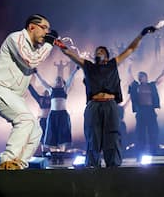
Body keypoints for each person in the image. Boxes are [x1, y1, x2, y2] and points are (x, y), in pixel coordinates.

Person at [55, 25, 157, 168]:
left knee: (112, 136)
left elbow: (130, 49)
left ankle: (113, 166)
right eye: (97, 51)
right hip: (94, 105)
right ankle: (92, 166)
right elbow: (70, 54)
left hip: (110, 104)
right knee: (93, 136)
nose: (98, 52)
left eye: (101, 51)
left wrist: (142, 34)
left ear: (107, 55)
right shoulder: (88, 66)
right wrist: (57, 42)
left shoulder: (112, 64)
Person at [0, 14, 58, 170]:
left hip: (12, 95)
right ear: (32, 27)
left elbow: (34, 57)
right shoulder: (16, 38)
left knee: (36, 130)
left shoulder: (33, 48)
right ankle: (7, 160)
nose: (47, 33)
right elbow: (30, 61)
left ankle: (19, 163)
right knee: (25, 119)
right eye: (44, 28)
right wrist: (49, 44)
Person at [128, 57, 164, 157]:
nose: (140, 78)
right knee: (141, 133)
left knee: (153, 131)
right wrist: (130, 65)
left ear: (146, 77)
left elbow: (162, 76)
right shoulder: (136, 86)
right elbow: (129, 75)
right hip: (141, 111)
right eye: (139, 76)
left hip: (150, 110)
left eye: (142, 76)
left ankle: (154, 151)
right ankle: (140, 152)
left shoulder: (151, 85)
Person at [34, 66, 79, 165]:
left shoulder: (65, 89)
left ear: (63, 82)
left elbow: (71, 79)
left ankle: (61, 157)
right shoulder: (51, 90)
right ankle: (54, 157)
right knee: (52, 134)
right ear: (55, 82)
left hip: (62, 115)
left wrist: (75, 69)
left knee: (63, 135)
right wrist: (36, 73)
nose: (58, 81)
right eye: (56, 80)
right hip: (53, 115)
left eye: (60, 80)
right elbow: (42, 82)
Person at [27, 83, 51, 156]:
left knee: (49, 135)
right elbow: (34, 93)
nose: (46, 93)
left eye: (48, 91)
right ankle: (44, 152)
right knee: (43, 136)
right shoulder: (41, 99)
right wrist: (28, 85)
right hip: (43, 120)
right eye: (45, 92)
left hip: (50, 120)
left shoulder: (52, 98)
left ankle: (49, 151)